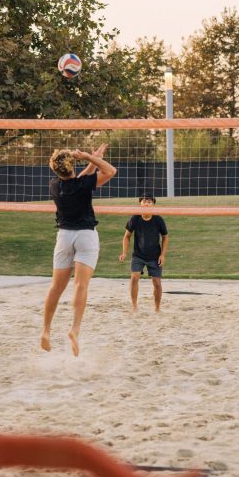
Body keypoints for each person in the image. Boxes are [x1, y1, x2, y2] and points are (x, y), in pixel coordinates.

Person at [40, 144, 116, 356]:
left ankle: (45, 330)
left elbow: (76, 180)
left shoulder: (54, 185)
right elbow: (110, 171)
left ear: (55, 170)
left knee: (56, 286)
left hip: (64, 237)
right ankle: (74, 329)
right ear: (73, 164)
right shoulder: (83, 185)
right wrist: (90, 158)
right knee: (80, 285)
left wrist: (94, 157)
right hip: (85, 236)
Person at [119, 192, 169, 312]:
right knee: (134, 277)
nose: (147, 203)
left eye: (149, 201)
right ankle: (134, 306)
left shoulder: (158, 219)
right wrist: (124, 252)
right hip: (138, 255)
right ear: (139, 204)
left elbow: (165, 237)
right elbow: (126, 236)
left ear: (153, 205)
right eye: (144, 201)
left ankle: (157, 309)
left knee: (157, 282)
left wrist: (162, 255)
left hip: (154, 256)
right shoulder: (135, 218)